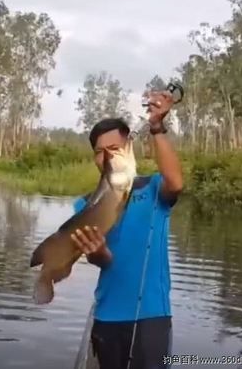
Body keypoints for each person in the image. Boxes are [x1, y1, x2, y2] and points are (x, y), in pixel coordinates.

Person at [70, 90, 183, 369]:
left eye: (115, 149)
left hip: (153, 316)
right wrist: (96, 252)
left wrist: (157, 127)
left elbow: (176, 183)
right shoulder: (84, 205)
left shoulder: (154, 188)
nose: (107, 157)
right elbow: (102, 259)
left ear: (129, 148)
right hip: (108, 316)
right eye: (99, 152)